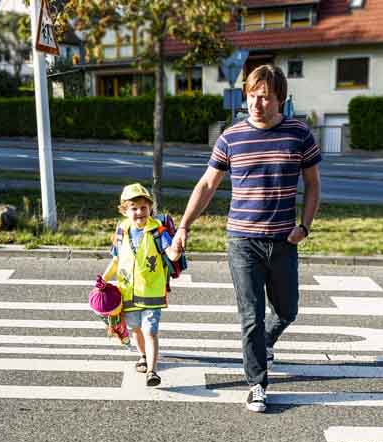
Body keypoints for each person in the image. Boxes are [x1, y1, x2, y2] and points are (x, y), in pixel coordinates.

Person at [172, 64, 321, 412]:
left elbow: (313, 184)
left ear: (281, 100)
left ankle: (266, 343)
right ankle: (257, 383)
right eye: (252, 96)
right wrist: (184, 226)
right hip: (242, 241)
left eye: (266, 97)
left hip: (285, 240)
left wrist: (305, 226)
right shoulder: (231, 137)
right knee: (251, 314)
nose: (257, 103)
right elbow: (207, 185)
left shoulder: (299, 134)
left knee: (287, 311)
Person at [101, 183, 181, 387]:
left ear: (150, 209)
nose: (139, 212)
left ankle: (152, 371)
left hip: (151, 292)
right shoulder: (121, 230)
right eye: (134, 208)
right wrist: (104, 278)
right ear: (124, 211)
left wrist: (177, 250)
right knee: (136, 329)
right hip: (128, 292)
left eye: (143, 208)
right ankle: (143, 356)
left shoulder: (157, 231)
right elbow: (116, 260)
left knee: (150, 331)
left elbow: (170, 254)